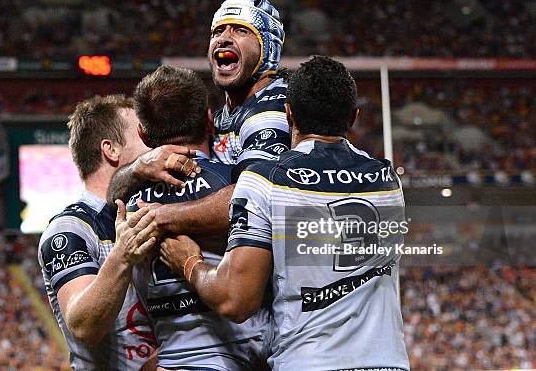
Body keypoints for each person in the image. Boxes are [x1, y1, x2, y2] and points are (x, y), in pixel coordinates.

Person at [159, 57, 411, 370]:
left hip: (309, 362)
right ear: (354, 117)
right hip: (389, 363)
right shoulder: (387, 181)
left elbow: (236, 300)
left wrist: (189, 262)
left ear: (288, 113)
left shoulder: (266, 180)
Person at [107, 0, 290, 239]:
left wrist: (159, 217)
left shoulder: (273, 110)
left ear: (268, 46)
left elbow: (253, 202)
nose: (224, 38)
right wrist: (140, 167)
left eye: (241, 30)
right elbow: (112, 196)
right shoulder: (226, 115)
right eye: (218, 31)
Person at [126, 65, 270, 370]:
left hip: (172, 357)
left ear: (142, 133)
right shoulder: (235, 184)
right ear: (209, 119)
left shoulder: (127, 204)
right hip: (241, 357)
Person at [38, 95, 160, 370]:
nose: (155, 142)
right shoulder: (69, 228)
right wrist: (123, 256)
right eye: (142, 133)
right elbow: (83, 326)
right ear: (111, 150)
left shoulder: (147, 212)